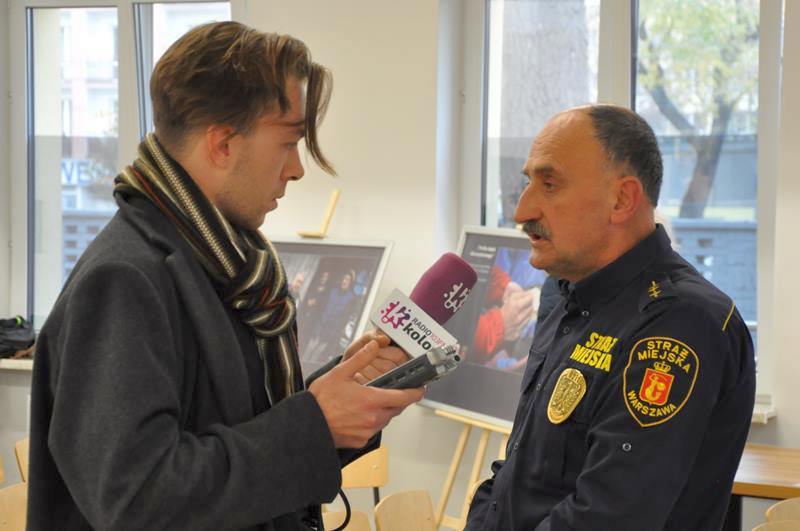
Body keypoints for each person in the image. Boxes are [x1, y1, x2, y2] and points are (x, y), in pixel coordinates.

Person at [27, 21, 422, 531]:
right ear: (222, 145)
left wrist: (341, 398)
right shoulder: (124, 281)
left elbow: (238, 432)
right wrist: (316, 424)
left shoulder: (227, 268)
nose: (296, 168)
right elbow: (136, 500)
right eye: (288, 142)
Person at [465, 105, 755, 530]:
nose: (522, 211)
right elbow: (521, 471)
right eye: (528, 183)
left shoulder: (682, 324)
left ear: (622, 200)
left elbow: (608, 517)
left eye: (549, 185)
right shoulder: (565, 296)